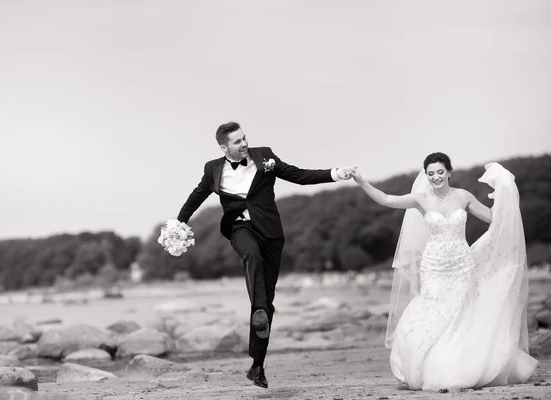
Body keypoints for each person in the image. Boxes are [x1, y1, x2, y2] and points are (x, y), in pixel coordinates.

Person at [176, 121, 353, 388]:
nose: (244, 143)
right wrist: (180, 223)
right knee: (252, 257)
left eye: (245, 138)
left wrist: (336, 173)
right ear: (224, 147)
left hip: (271, 232)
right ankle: (258, 308)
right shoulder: (212, 169)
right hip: (238, 227)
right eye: (237, 141)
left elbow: (298, 175)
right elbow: (197, 196)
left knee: (267, 302)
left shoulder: (265, 156)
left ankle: (257, 365)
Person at [347, 152, 538, 391]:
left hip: (461, 263)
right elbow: (386, 199)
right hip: (434, 264)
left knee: (460, 312)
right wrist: (362, 181)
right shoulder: (421, 199)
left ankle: (457, 366)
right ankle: (428, 366)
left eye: (440, 172)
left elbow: (492, 217)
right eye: (430, 173)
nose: (436, 177)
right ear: (426, 175)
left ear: (449, 172)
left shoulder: (463, 196)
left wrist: (504, 191)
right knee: (435, 308)